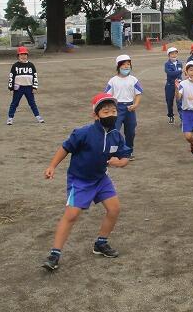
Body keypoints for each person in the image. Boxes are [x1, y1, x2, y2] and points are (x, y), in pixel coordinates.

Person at [41, 93, 131, 271]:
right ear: (96, 115)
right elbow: (65, 148)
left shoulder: (116, 136)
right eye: (106, 112)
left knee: (114, 209)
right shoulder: (84, 132)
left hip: (101, 179)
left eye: (113, 111)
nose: (111, 115)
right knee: (71, 215)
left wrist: (119, 162)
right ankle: (54, 254)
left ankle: (101, 243)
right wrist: (52, 166)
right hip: (80, 181)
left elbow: (125, 156)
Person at [105, 54, 142, 159]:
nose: (126, 66)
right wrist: (110, 109)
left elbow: (138, 94)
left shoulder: (133, 79)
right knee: (114, 130)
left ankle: (129, 151)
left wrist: (135, 104)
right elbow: (107, 95)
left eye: (128, 64)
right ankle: (112, 153)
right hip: (117, 108)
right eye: (124, 64)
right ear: (118, 66)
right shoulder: (113, 81)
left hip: (130, 108)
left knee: (130, 131)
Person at [7, 46, 44, 125]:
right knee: (14, 103)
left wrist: (35, 86)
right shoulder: (15, 66)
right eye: (21, 54)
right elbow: (11, 77)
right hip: (18, 87)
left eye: (25, 54)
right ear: (18, 56)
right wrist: (11, 87)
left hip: (29, 87)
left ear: (27, 55)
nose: (23, 56)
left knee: (32, 103)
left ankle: (38, 116)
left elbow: (35, 76)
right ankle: (10, 118)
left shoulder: (31, 65)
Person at [164, 47, 182, 124]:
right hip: (170, 85)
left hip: (179, 85)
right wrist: (181, 71)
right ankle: (171, 116)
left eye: (175, 53)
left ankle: (182, 119)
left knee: (180, 101)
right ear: (168, 55)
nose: (174, 55)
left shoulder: (180, 63)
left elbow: (180, 75)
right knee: (169, 101)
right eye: (172, 54)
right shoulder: (167, 64)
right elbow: (170, 73)